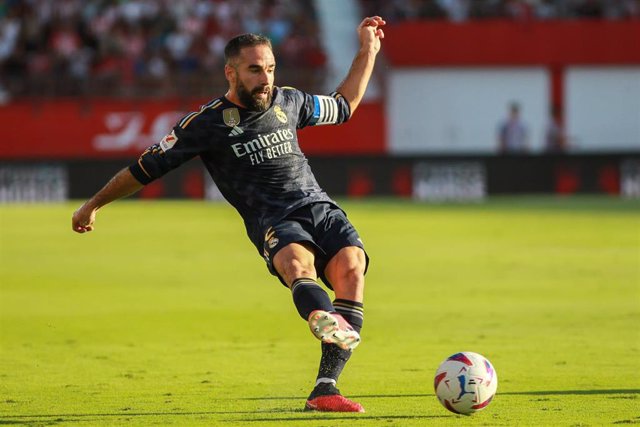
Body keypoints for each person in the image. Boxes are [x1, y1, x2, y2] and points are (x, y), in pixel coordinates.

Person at [72, 16, 386, 413]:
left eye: (270, 68)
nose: (265, 77)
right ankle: (321, 314)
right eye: (255, 69)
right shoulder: (205, 124)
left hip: (319, 207)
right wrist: (93, 204)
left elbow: (344, 106)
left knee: (352, 266)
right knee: (295, 263)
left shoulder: (289, 101)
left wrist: (368, 50)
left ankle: (325, 389)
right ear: (231, 72)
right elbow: (145, 167)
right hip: (274, 218)